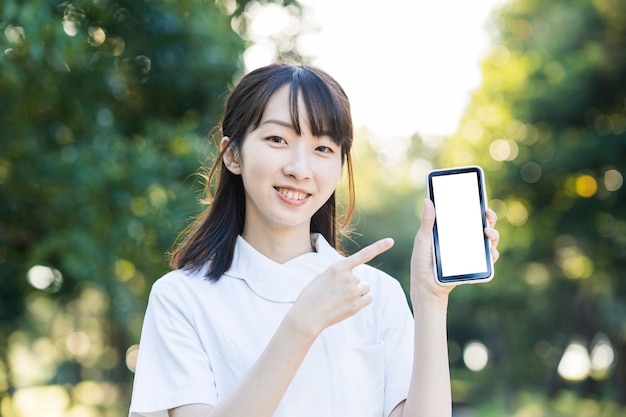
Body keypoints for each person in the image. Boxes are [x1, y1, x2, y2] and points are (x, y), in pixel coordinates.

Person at [128, 61, 500, 417]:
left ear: (340, 164)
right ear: (232, 154)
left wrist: (430, 301)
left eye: (322, 148)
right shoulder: (181, 298)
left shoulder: (376, 294)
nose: (299, 169)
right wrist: (302, 323)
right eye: (277, 139)